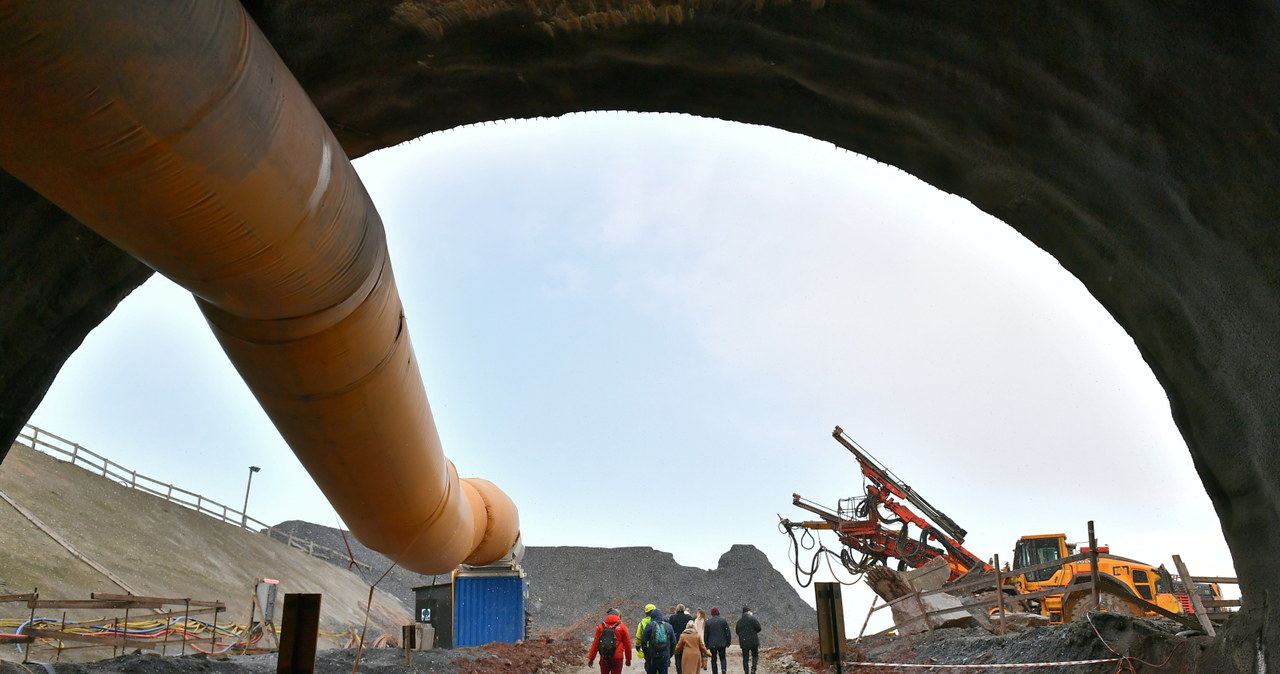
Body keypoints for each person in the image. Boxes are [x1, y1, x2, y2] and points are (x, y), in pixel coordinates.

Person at [640, 608, 678, 674]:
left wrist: (647, 654)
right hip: (664, 656)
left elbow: (643, 641)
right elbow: (674, 642)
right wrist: (669, 654)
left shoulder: (650, 625)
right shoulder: (668, 626)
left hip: (653, 656)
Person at [703, 607, 731, 674]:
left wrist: (706, 644)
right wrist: (728, 642)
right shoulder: (723, 621)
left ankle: (715, 672)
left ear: (712, 614)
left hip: (712, 644)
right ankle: (723, 668)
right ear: (718, 613)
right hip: (722, 643)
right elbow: (728, 633)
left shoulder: (708, 622)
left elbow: (706, 634)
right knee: (723, 658)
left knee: (713, 659)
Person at [735, 606, 763, 674]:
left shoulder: (739, 621)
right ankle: (753, 669)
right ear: (748, 612)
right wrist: (753, 632)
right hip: (753, 641)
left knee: (745, 658)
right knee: (755, 656)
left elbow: (737, 631)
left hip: (744, 642)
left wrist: (742, 636)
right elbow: (759, 628)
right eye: (750, 611)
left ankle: (746, 671)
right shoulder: (753, 619)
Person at [667, 604, 694, 673]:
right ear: (684, 609)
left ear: (677, 609)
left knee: (678, 658)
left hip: (676, 640)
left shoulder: (672, 618)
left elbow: (670, 630)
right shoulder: (688, 617)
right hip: (687, 640)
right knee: (686, 658)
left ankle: (679, 671)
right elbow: (692, 629)